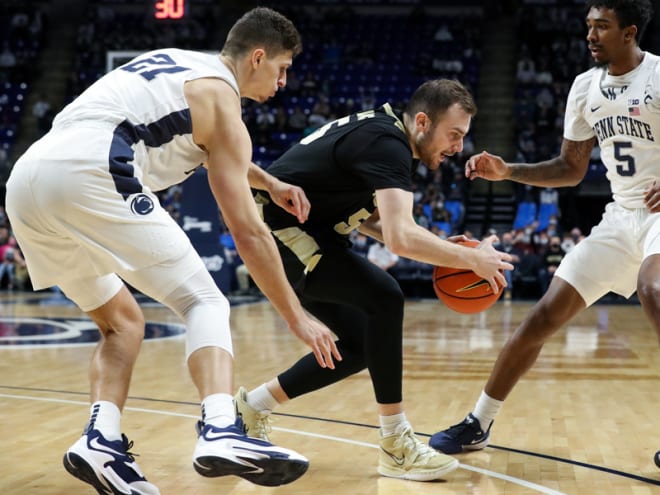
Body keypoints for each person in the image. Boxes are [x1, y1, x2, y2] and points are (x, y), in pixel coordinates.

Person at [5, 7, 341, 494]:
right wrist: (296, 316)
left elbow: (208, 147)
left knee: (122, 324)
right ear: (258, 57)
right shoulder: (224, 101)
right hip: (93, 168)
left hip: (28, 180)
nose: (284, 81)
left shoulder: (180, 63)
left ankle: (100, 440)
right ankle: (222, 428)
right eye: (282, 68)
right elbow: (248, 232)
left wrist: (268, 181)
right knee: (204, 301)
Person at [233, 79, 514, 482]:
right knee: (385, 296)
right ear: (422, 121)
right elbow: (400, 238)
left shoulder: (387, 136)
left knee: (363, 344)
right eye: (454, 135)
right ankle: (396, 445)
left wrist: (439, 245)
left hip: (311, 233)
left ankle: (251, 407)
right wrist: (471, 258)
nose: (458, 147)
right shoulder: (387, 144)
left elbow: (370, 220)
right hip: (279, 232)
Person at [429, 0, 660, 458]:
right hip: (620, 216)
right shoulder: (583, 87)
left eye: (603, 27)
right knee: (542, 317)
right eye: (588, 26)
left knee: (653, 290)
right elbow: (570, 169)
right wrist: (507, 171)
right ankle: (479, 422)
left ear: (630, 32)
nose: (591, 35)